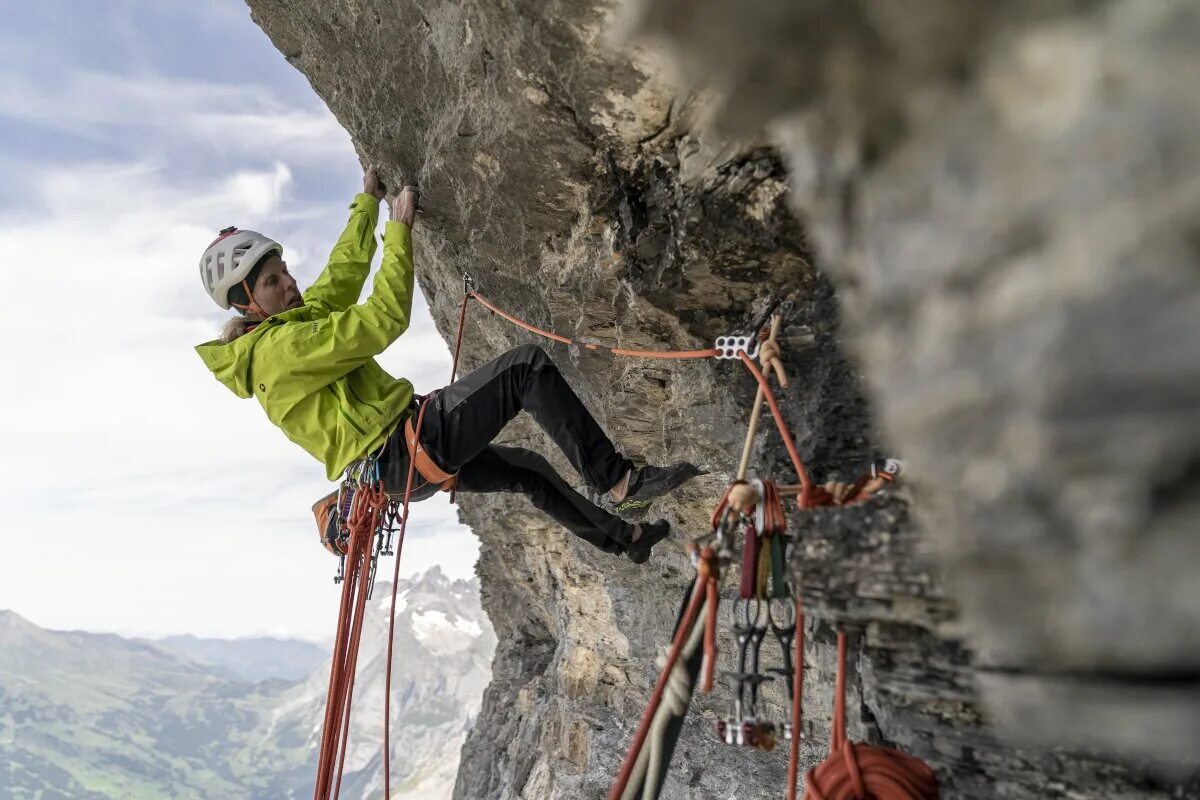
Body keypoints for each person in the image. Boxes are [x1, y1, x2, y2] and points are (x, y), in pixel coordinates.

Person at [195, 168, 700, 563]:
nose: (288, 284)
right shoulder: (279, 352)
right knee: (526, 368)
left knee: (529, 471)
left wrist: (367, 203)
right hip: (404, 446)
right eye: (271, 282)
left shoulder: (287, 326)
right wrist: (399, 233)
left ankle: (626, 539)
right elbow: (384, 319)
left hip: (397, 468)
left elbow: (341, 279)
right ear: (246, 303)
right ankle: (621, 484)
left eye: (283, 272)